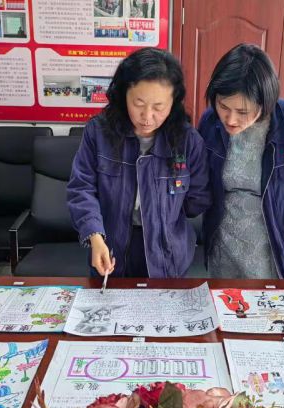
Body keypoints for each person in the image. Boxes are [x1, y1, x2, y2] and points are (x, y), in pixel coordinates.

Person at [67, 48, 210, 278]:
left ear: (173, 102)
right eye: (139, 103)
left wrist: (163, 214)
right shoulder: (99, 132)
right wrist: (95, 235)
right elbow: (81, 188)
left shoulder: (188, 141)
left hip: (167, 253)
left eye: (158, 107)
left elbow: (197, 199)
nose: (147, 116)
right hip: (110, 245)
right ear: (124, 94)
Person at [199, 43, 284, 279]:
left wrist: (281, 199)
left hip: (278, 243)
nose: (230, 119)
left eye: (243, 111)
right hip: (225, 242)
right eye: (223, 106)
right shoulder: (210, 122)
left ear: (265, 102)